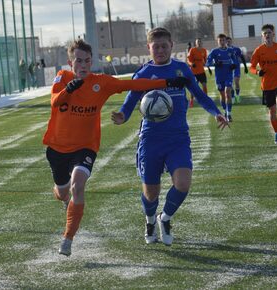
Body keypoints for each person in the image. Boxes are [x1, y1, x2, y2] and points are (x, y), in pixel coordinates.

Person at [43, 39, 189, 256]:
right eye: (79, 61)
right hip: (57, 147)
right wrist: (68, 91)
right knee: (62, 192)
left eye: (87, 61)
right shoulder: (63, 78)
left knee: (77, 187)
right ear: (70, 62)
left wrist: (166, 83)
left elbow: (131, 85)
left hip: (85, 147)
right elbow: (55, 101)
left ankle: (67, 239)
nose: (83, 65)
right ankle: (65, 200)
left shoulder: (101, 82)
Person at [111, 27, 228, 246]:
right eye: (156, 47)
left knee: (183, 184)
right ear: (149, 48)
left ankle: (164, 219)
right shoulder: (143, 74)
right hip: (151, 140)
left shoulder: (181, 70)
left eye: (164, 46)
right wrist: (122, 116)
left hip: (178, 138)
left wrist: (216, 113)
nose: (161, 50)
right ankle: (149, 221)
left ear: (172, 46)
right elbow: (129, 102)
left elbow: (200, 96)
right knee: (151, 193)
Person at [250, 24, 277, 144]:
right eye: (265, 33)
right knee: (272, 111)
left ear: (273, 34)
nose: (267, 35)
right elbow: (251, 67)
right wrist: (257, 72)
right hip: (267, 86)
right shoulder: (259, 50)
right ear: (262, 36)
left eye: (269, 32)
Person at [206, 33, 238, 122]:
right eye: (220, 40)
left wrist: (234, 65)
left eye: (223, 40)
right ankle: (224, 111)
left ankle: (229, 114)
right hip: (219, 76)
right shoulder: (214, 51)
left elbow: (235, 60)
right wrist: (215, 63)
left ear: (226, 41)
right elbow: (207, 62)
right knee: (222, 95)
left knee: (228, 92)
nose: (222, 42)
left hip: (228, 75)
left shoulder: (230, 50)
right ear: (218, 41)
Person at [187, 38, 211, 107]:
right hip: (194, 72)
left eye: (200, 42)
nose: (199, 43)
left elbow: (205, 61)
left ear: (202, 43)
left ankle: (205, 99)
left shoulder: (204, 50)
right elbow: (188, 60)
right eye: (198, 42)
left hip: (201, 71)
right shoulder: (192, 50)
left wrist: (208, 68)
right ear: (196, 43)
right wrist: (191, 64)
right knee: (193, 87)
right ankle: (191, 100)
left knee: (204, 85)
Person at [226, 36, 248, 104]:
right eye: (227, 41)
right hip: (228, 69)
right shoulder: (224, 50)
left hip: (236, 68)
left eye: (229, 41)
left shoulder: (236, 49)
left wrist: (245, 67)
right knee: (230, 84)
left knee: (236, 82)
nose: (228, 42)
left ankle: (237, 96)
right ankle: (232, 96)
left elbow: (242, 57)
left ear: (231, 41)